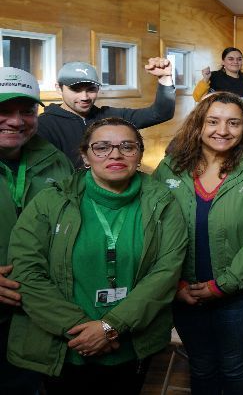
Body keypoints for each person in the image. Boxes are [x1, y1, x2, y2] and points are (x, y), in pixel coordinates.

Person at [7, 117, 187, 394]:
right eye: (102, 147)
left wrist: (111, 326)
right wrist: (82, 328)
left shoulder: (162, 202)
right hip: (66, 344)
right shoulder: (50, 200)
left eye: (127, 146)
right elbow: (27, 271)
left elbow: (165, 273)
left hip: (130, 344)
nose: (115, 154)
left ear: (139, 154)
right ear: (85, 156)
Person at [152, 91, 243, 394]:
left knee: (235, 365)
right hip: (183, 293)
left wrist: (224, 284)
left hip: (237, 294)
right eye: (213, 121)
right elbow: (151, 231)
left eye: (233, 123)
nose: (223, 131)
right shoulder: (169, 168)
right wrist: (176, 285)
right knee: (201, 365)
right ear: (198, 125)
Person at [0, 67, 73, 393]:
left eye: (27, 111)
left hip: (36, 314)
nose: (16, 121)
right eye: (3, 110)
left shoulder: (55, 161)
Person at [38, 60, 175, 167]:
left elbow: (161, 113)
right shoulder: (44, 125)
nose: (85, 97)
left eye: (91, 89)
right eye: (76, 90)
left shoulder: (111, 117)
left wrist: (165, 78)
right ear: (58, 88)